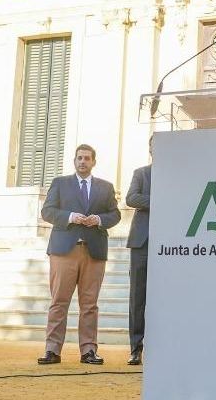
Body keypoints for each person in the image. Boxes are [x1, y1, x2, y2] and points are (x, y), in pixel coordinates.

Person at [39, 144, 122, 366]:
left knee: (90, 304)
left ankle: (88, 351)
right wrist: (70, 216)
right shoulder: (60, 183)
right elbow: (47, 211)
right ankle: (52, 350)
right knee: (59, 302)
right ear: (74, 161)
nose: (82, 162)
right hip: (64, 250)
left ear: (94, 161)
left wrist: (100, 220)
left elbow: (115, 214)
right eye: (79, 158)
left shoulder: (105, 187)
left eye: (87, 158)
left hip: (93, 251)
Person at [124, 141, 152, 366]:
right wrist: (159, 201)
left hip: (171, 245)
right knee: (138, 297)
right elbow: (131, 198)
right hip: (141, 243)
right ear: (151, 148)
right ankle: (136, 348)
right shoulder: (141, 173)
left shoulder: (178, 175)